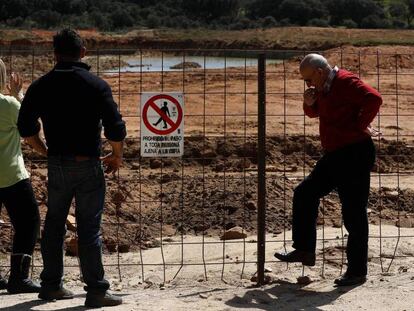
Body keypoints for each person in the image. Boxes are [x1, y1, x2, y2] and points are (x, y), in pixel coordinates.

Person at [17, 28, 126, 307]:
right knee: (89, 228)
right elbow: (115, 128)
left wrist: (46, 151)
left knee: (53, 225)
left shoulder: (41, 86)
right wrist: (116, 155)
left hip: (58, 165)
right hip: (88, 164)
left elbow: (26, 128)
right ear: (83, 52)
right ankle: (96, 290)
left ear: (55, 54)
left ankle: (51, 285)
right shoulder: (96, 85)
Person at [274, 54, 382, 286]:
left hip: (355, 153)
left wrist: (359, 125)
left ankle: (356, 272)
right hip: (336, 154)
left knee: (353, 213)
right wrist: (308, 102)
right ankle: (304, 250)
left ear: (320, 72)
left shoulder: (345, 81)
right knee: (304, 193)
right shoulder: (325, 87)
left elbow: (373, 99)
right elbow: (316, 113)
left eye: (309, 80)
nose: (308, 85)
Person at [0, 59, 41, 294]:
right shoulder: (8, 105)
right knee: (28, 223)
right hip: (11, 175)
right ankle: (19, 278)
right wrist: (19, 95)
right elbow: (30, 126)